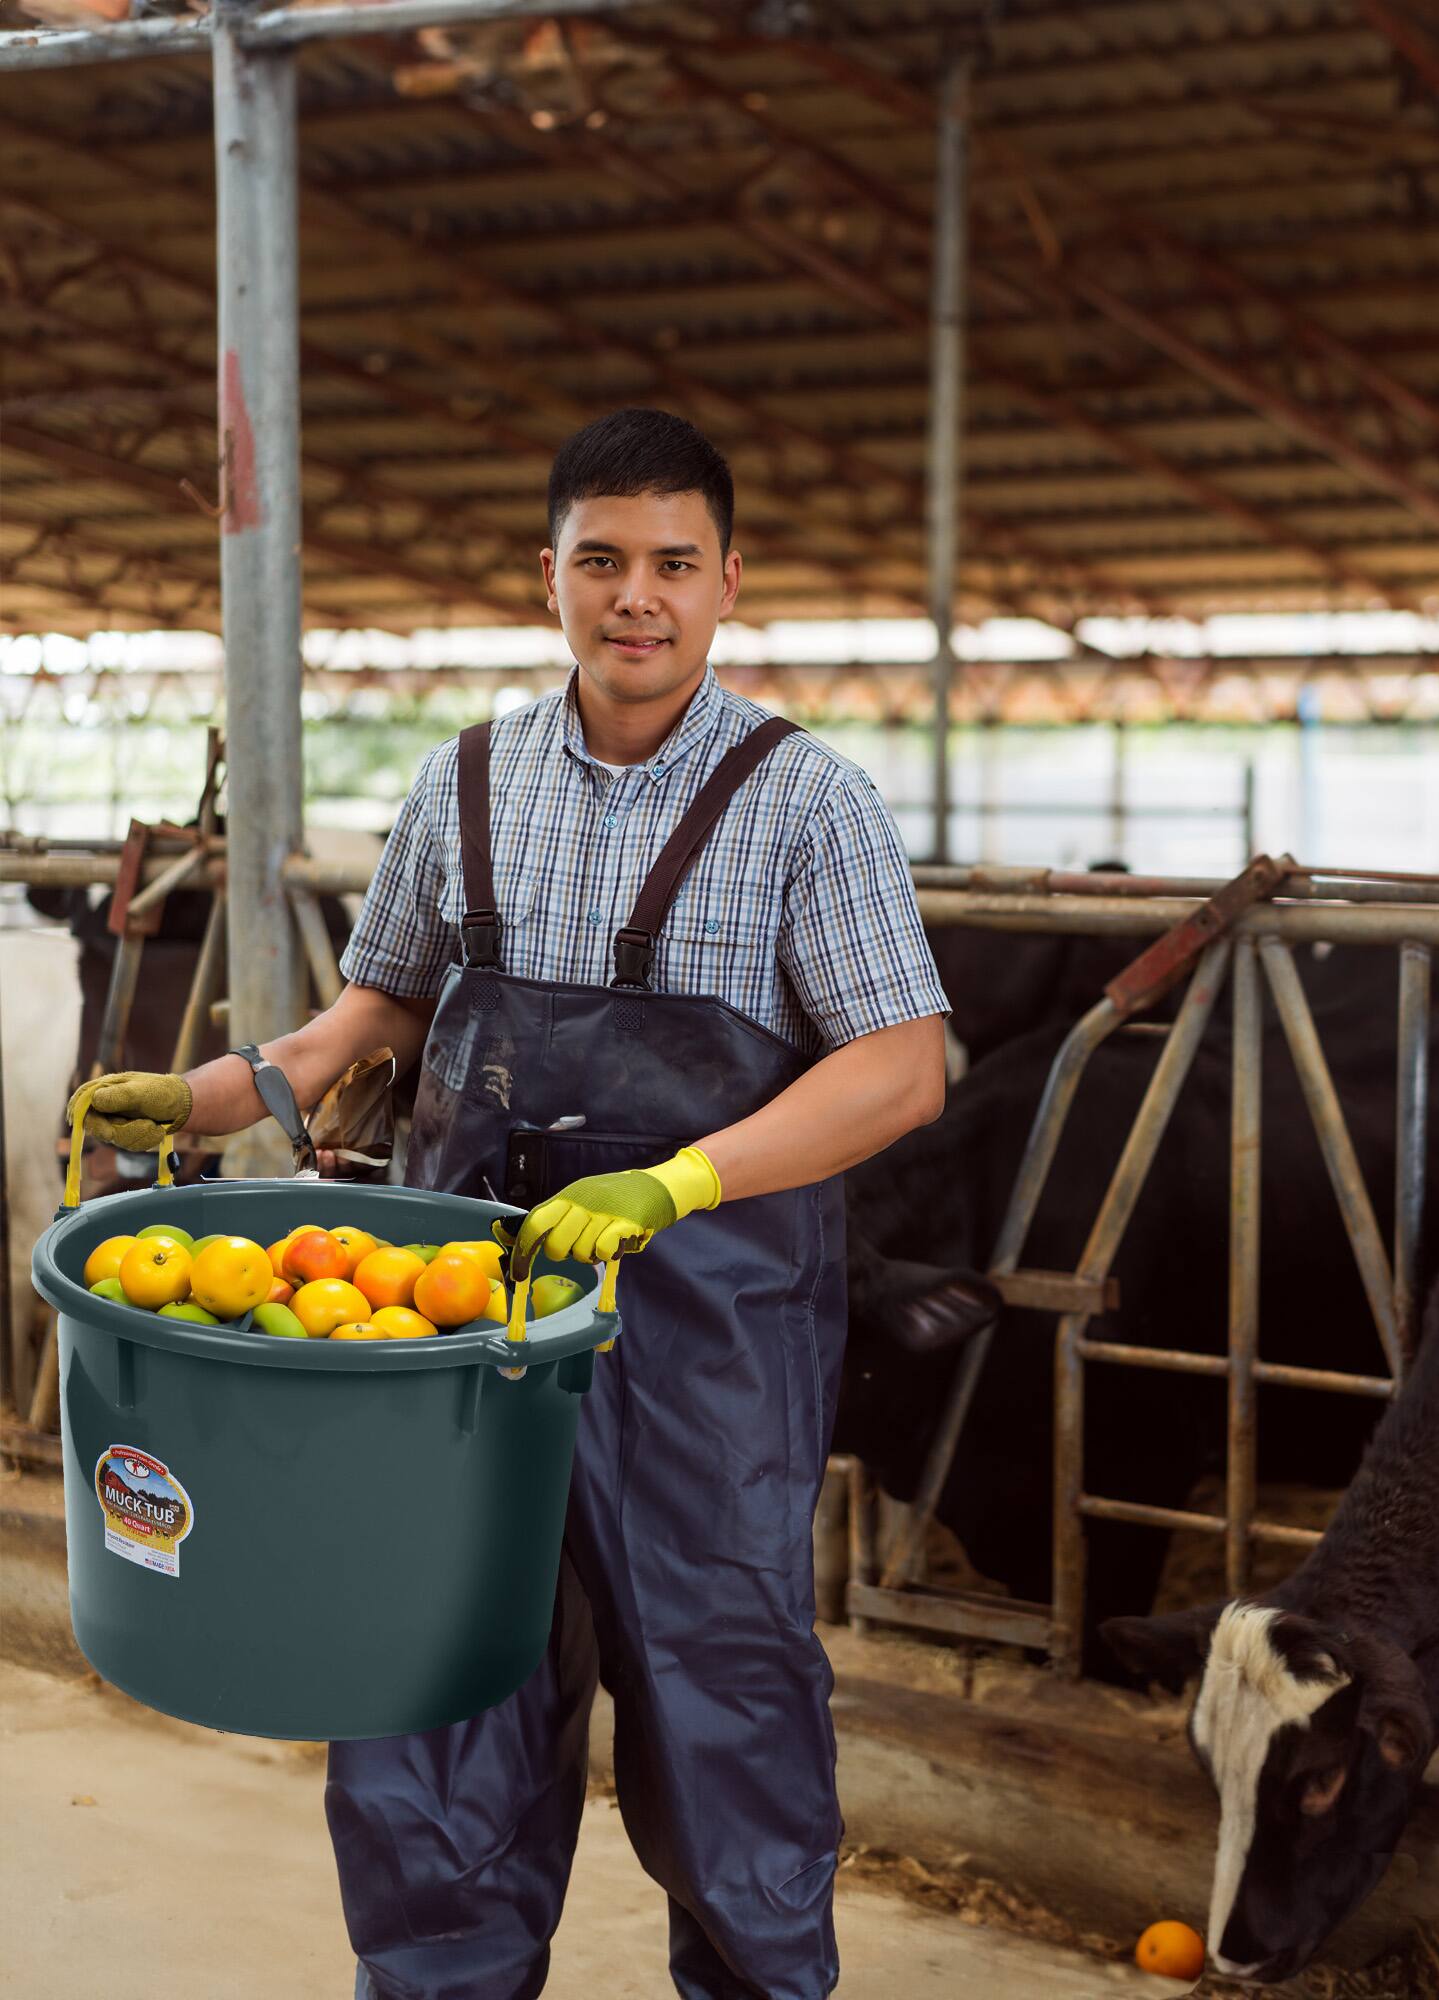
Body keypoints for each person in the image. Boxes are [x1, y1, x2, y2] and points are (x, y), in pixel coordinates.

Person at [66, 407, 951, 2000]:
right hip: (462, 1343)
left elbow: (900, 1070)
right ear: (546, 576)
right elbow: (369, 1021)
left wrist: (678, 1179)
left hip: (702, 1352)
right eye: (601, 562)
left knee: (720, 1707)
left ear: (728, 581)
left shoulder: (807, 804)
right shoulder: (463, 782)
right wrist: (203, 1095)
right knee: (433, 1701)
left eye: (673, 565)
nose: (637, 598)